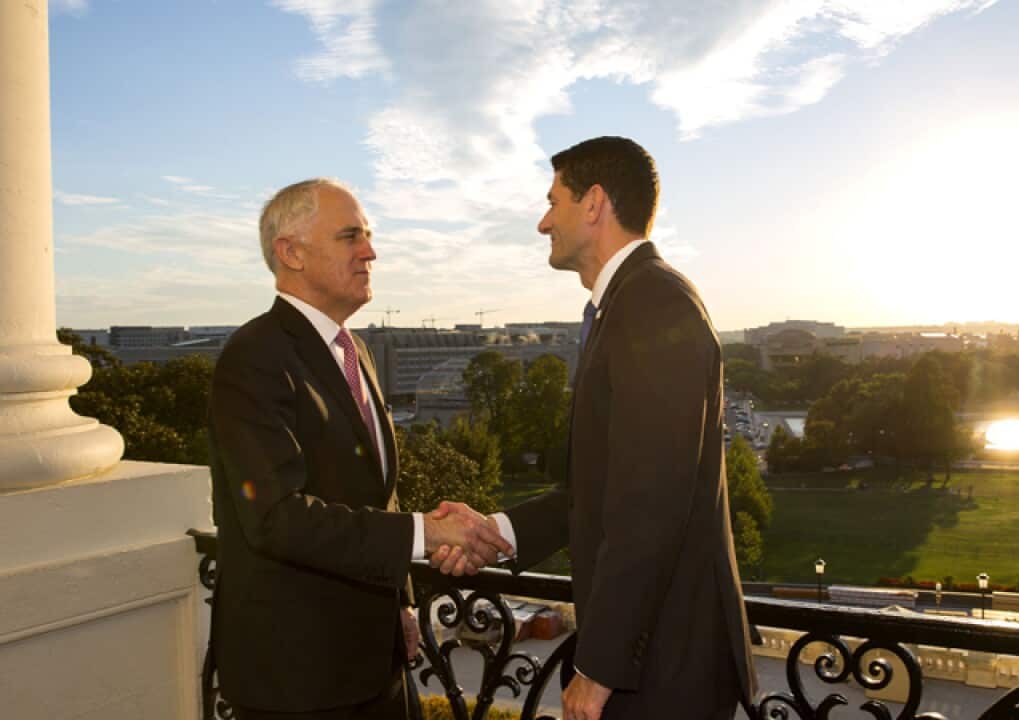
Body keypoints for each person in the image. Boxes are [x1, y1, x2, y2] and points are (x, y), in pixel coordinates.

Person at [439, 137, 757, 719]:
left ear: (594, 203)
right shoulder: (627, 307)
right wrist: (497, 530)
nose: (542, 223)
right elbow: (599, 491)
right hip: (652, 660)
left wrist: (600, 667)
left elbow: (649, 507)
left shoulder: (654, 306)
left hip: (663, 670)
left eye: (552, 201)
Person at [207, 178, 511, 720]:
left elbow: (374, 493)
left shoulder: (356, 351)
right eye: (351, 237)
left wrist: (402, 601)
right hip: (297, 680)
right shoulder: (252, 358)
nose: (370, 252)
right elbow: (275, 518)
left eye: (368, 237)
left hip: (374, 662)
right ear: (290, 252)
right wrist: (427, 533)